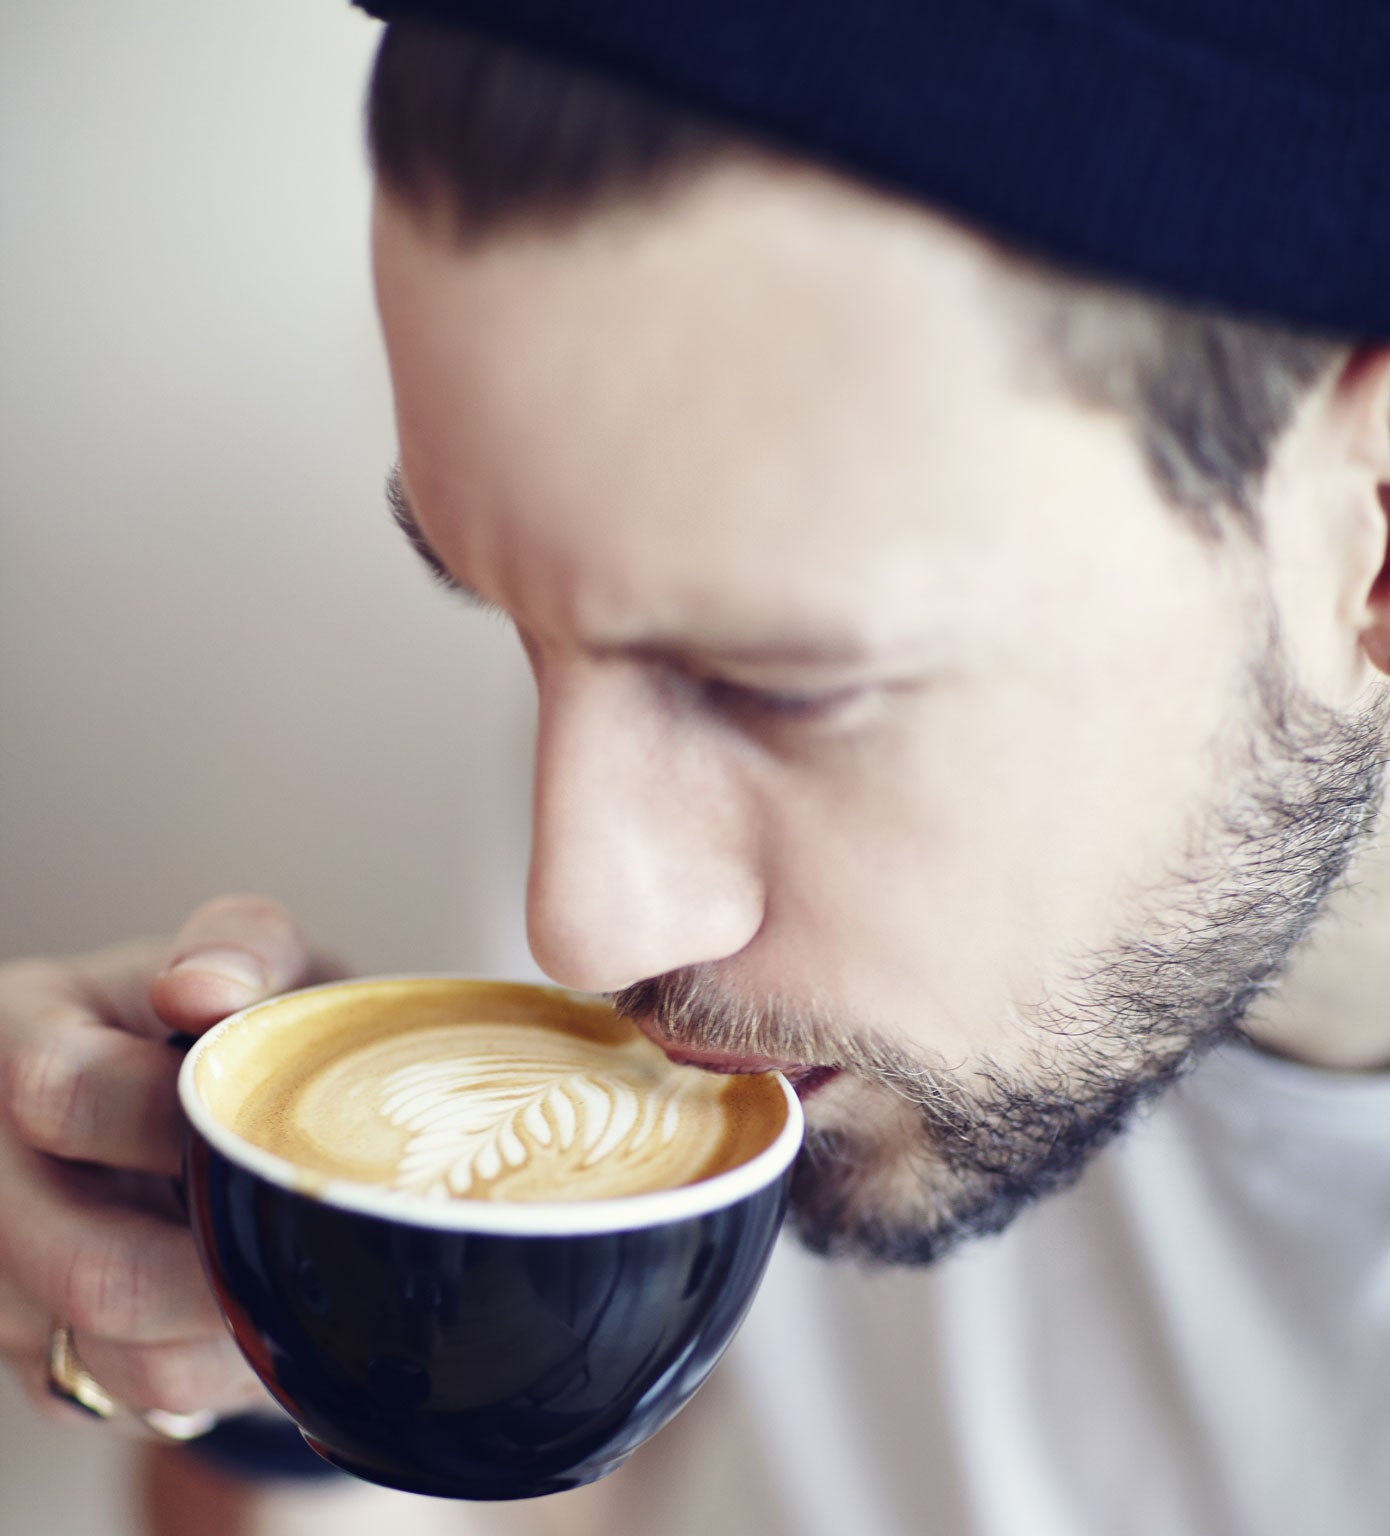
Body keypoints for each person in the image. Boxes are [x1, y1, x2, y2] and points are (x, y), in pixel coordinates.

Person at [3, 4, 1389, 1532]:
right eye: (512, 623)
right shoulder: (644, 762)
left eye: (777, 688)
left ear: (1370, 531)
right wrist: (301, 1356)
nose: (576, 919)